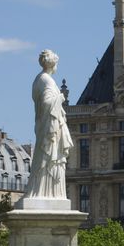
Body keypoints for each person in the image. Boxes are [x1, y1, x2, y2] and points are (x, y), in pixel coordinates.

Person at [25, 49, 73, 200]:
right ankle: (47, 193)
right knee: (49, 160)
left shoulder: (39, 79)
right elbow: (46, 102)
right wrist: (60, 98)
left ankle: (47, 192)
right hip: (49, 127)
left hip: (44, 125)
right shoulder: (46, 80)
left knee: (46, 160)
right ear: (53, 64)